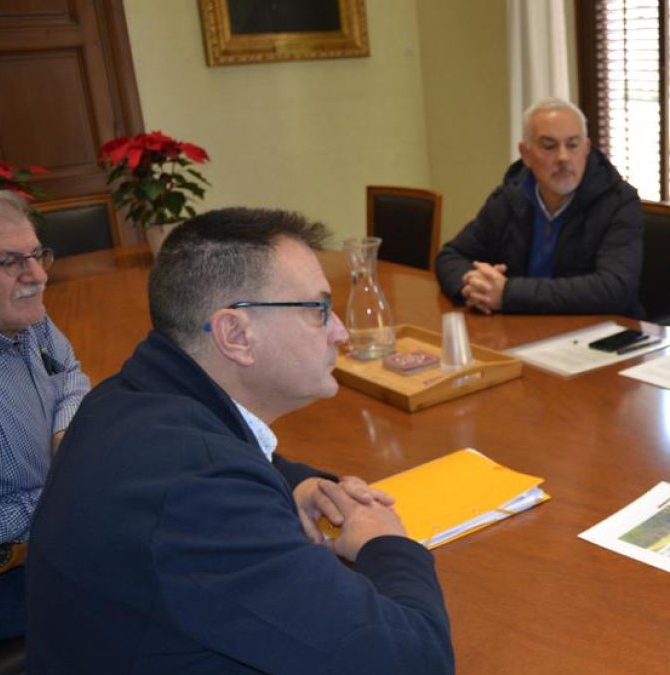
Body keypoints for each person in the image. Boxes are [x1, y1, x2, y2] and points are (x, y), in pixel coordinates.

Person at [25, 209, 453, 673]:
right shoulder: (199, 491)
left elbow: (230, 449)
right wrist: (386, 544)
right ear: (235, 335)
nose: (341, 332)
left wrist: (295, 483)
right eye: (318, 310)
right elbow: (414, 661)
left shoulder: (126, 396)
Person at [0, 184, 88, 644]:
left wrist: (67, 428)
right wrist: (61, 487)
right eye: (11, 262)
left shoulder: (25, 318)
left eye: (37, 255)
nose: (37, 275)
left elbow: (70, 373)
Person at [435, 97, 643, 316]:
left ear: (586, 150)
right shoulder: (511, 196)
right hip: (520, 327)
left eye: (573, 145)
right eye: (549, 146)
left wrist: (507, 293)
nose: (563, 157)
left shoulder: (619, 201)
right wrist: (475, 288)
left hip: (593, 335)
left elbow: (615, 287)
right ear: (526, 154)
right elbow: (451, 255)